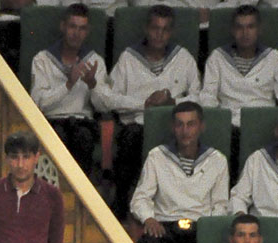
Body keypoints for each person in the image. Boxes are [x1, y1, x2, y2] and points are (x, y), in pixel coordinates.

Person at [104, 5, 201, 217]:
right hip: (137, 126)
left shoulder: (183, 58)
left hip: (174, 128)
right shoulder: (128, 58)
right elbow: (110, 99)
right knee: (131, 137)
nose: (159, 34)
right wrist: (144, 104)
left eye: (165, 29)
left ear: (172, 32)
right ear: (146, 28)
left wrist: (173, 101)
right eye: (155, 28)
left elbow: (201, 96)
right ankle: (121, 205)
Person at [130, 100, 229, 243]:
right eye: (180, 124)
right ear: (173, 127)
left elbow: (220, 205)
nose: (185, 131)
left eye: (191, 124)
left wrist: (210, 231)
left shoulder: (217, 160)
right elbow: (140, 198)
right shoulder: (157, 156)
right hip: (165, 226)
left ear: (201, 127)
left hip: (201, 227)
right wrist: (149, 218)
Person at [30, 3, 109, 176]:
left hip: (83, 122)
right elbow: (37, 103)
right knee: (57, 136)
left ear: (87, 32)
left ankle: (81, 199)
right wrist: (68, 85)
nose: (76, 33)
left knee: (84, 137)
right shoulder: (42, 60)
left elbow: (104, 107)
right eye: (72, 26)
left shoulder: (95, 61)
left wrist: (92, 85)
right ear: (63, 26)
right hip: (52, 121)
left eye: (82, 29)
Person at [200, 5, 278, 175]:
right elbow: (207, 97)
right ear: (232, 30)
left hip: (263, 126)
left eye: (250, 26)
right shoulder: (217, 58)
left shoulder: (274, 58)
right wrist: (218, 124)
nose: (245, 33)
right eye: (240, 27)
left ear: (259, 29)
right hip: (229, 126)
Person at [229, 119, 278, 216]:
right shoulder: (257, 159)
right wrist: (241, 217)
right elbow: (239, 197)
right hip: (261, 225)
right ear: (277, 131)